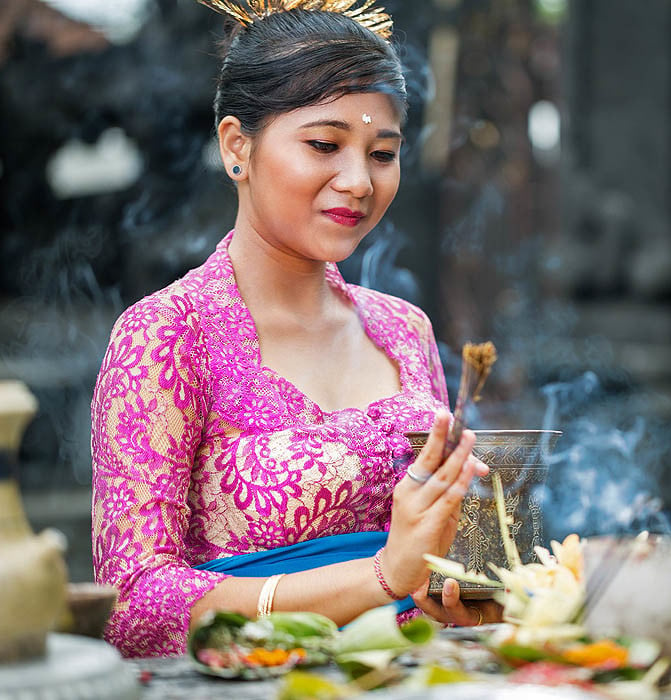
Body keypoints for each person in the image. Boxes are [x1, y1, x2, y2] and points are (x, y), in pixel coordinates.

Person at [91, 0, 498, 658]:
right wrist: (378, 578)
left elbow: (443, 566)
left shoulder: (404, 329)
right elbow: (132, 604)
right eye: (323, 145)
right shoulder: (167, 335)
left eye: (383, 152)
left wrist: (469, 590)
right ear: (237, 146)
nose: (359, 181)